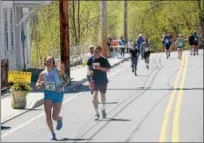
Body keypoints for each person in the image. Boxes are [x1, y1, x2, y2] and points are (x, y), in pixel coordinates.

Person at [36, 56, 69, 140]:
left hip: (58, 93)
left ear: (53, 62)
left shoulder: (58, 71)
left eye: (50, 61)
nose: (49, 62)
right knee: (47, 115)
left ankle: (59, 119)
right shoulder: (43, 73)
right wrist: (40, 84)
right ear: (45, 62)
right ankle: (53, 133)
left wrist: (60, 86)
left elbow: (67, 79)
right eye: (47, 61)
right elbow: (37, 85)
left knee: (54, 116)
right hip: (48, 94)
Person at [87, 46, 111, 120]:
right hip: (94, 80)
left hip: (103, 80)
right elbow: (89, 69)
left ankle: (103, 108)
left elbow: (108, 69)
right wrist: (89, 79)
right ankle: (97, 113)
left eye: (97, 51)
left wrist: (100, 68)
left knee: (103, 95)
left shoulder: (103, 59)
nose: (95, 53)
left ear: (100, 52)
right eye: (94, 51)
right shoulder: (91, 59)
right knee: (94, 97)